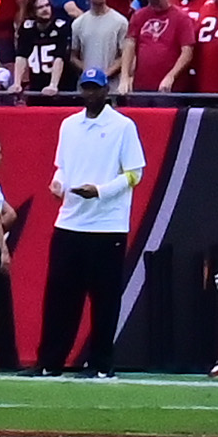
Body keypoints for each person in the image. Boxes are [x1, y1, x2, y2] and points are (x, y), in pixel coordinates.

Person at [37, 84, 147, 375]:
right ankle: (50, 362)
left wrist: (100, 191)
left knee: (105, 300)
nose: (90, 95)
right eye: (86, 89)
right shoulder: (69, 125)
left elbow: (134, 173)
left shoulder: (123, 126)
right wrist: (58, 182)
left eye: (95, 89)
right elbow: (61, 166)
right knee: (60, 297)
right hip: (70, 221)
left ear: (105, 91)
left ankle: (101, 364)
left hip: (107, 226)